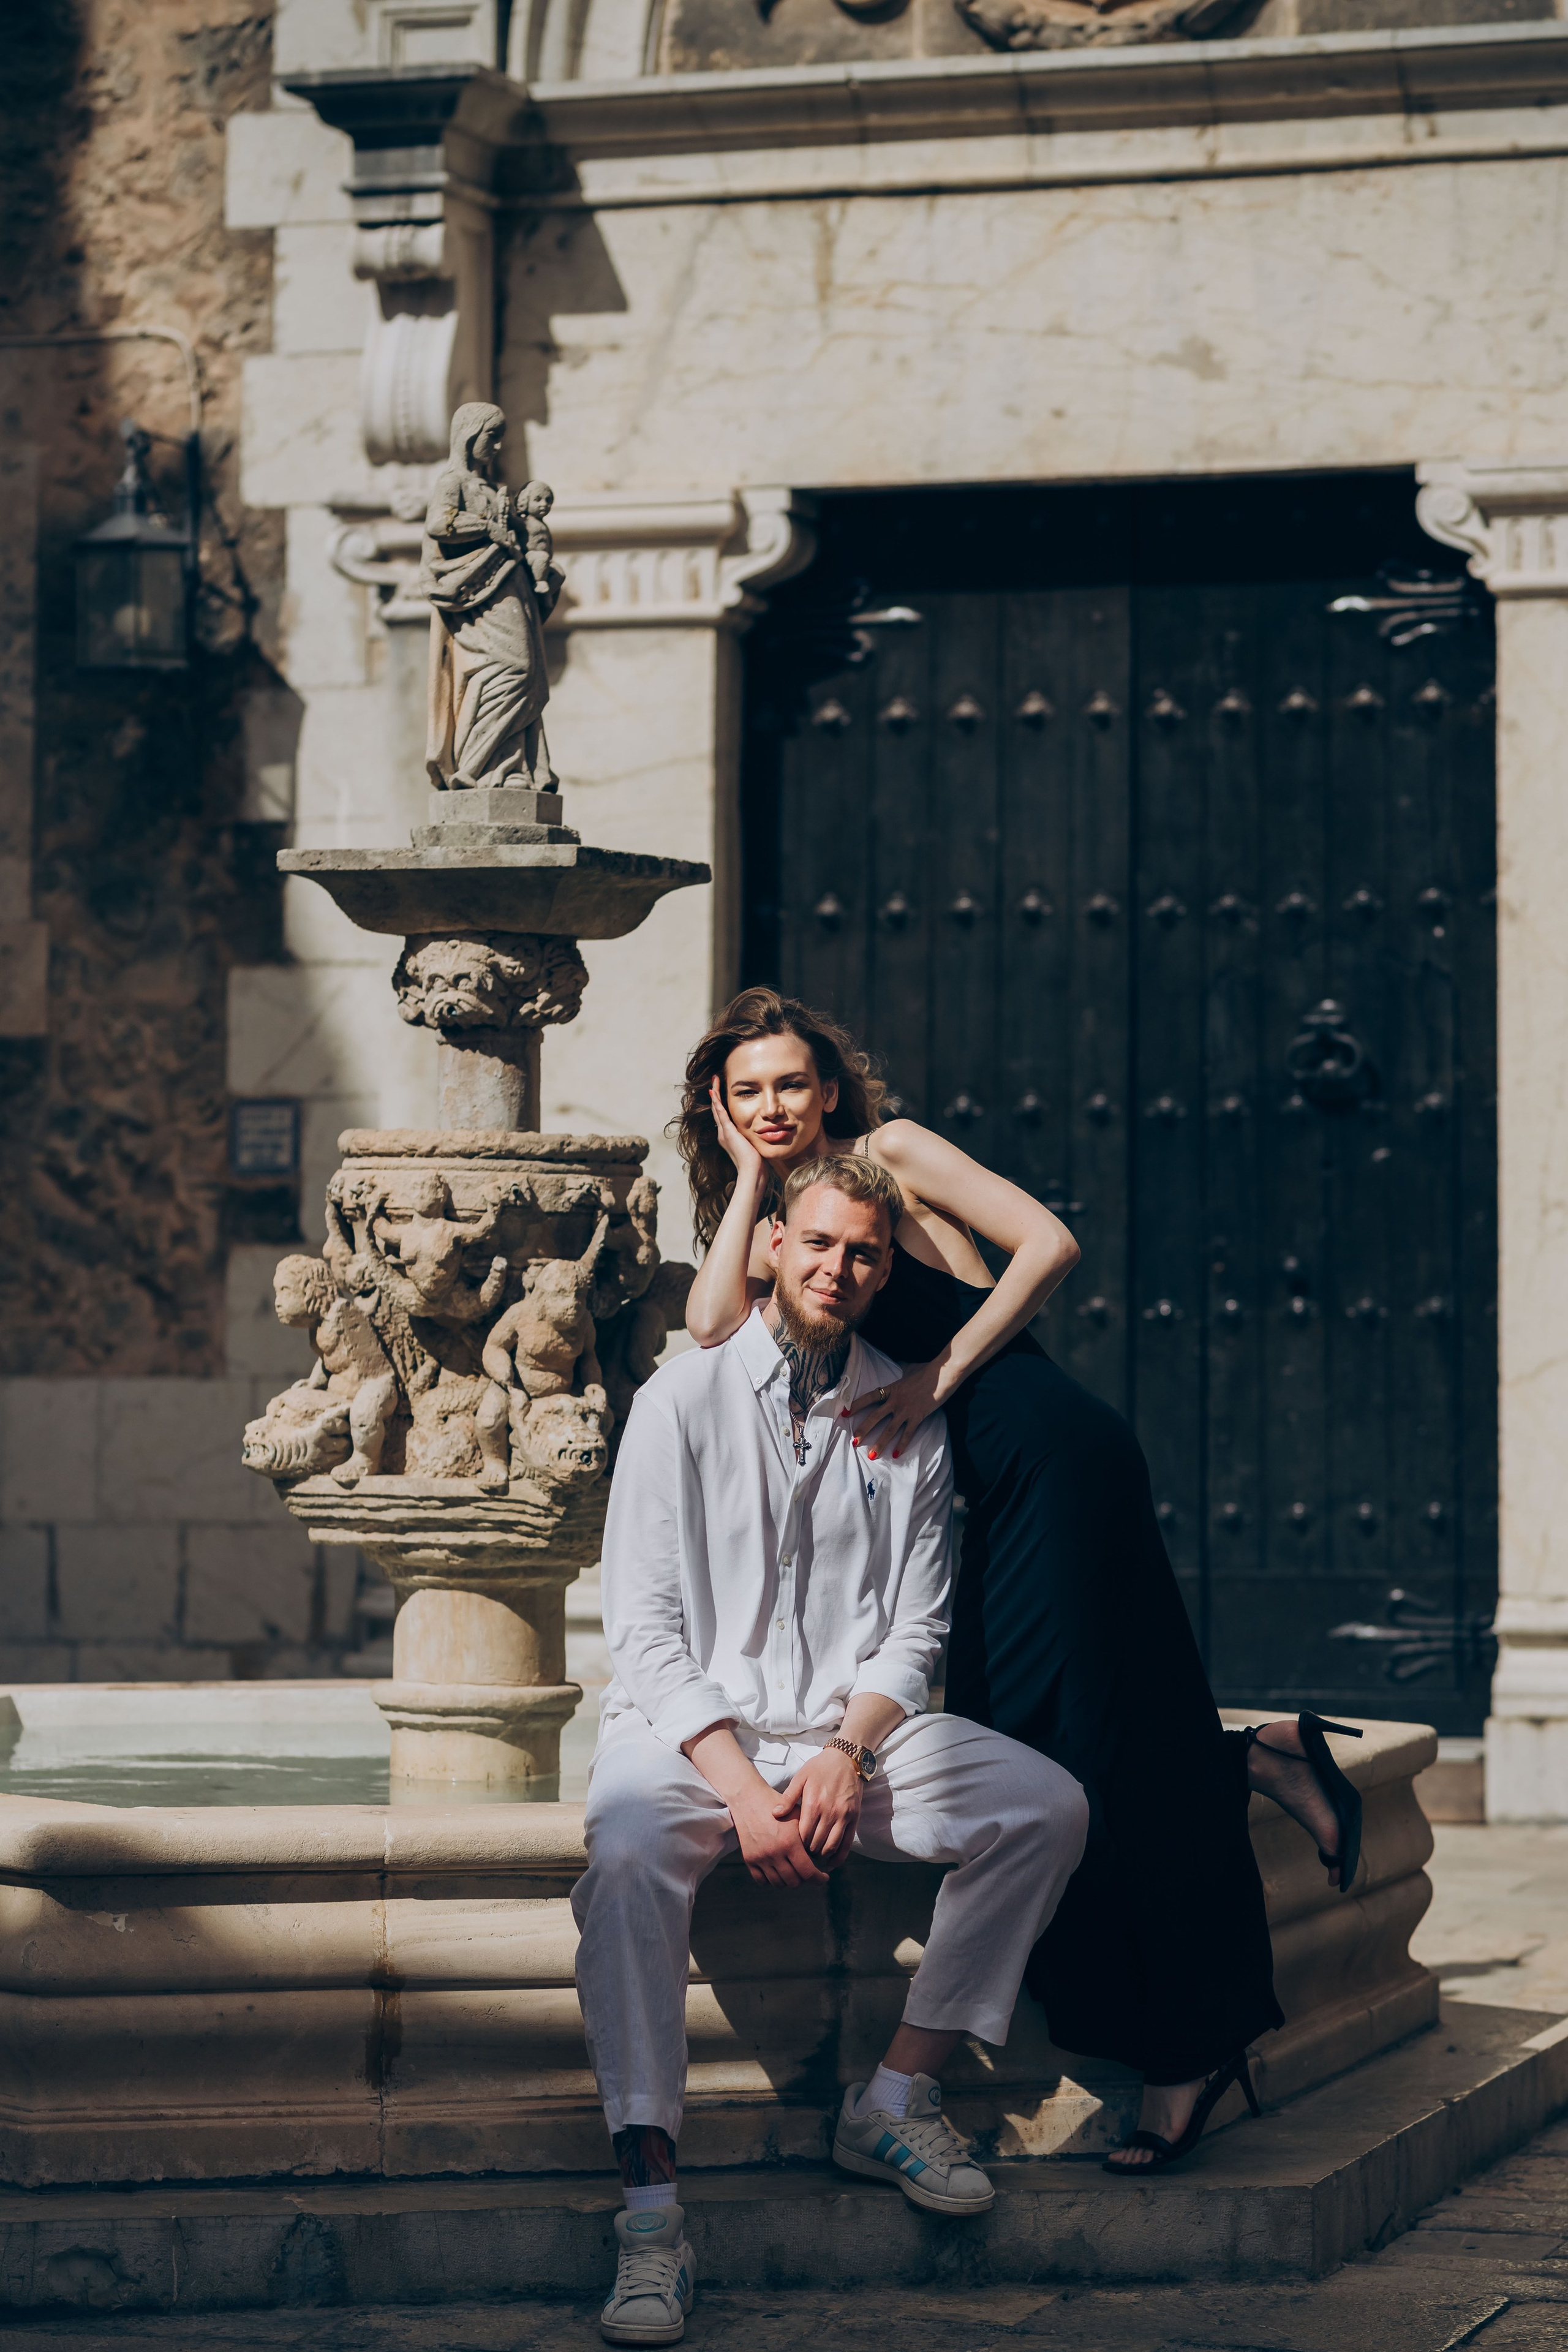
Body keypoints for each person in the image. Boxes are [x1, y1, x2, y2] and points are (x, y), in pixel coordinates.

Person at [680, 989, 1368, 2175]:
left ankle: (1187, 2051)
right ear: (720, 1108)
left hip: (1042, 1449)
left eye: (790, 1083)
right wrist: (742, 1175)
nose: (773, 1107)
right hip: (980, 1490)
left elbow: (1046, 1243)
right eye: (746, 1093)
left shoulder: (886, 1158)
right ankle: (1246, 1759)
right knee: (1052, 1741)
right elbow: (707, 1331)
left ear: (830, 1086)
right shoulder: (775, 1229)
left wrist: (937, 1374)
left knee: (1080, 1755)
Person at [575, 1154, 1088, 2343]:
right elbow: (642, 1633)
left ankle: (896, 2095)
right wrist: (744, 1789)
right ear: (768, 1246)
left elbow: (915, 1631)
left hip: (844, 1745)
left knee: (1043, 1807)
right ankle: (649, 2213)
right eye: (816, 1244)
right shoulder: (678, 1401)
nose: (837, 1269)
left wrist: (847, 1755)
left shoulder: (901, 1415)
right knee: (624, 1842)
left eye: (862, 1252)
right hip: (688, 1737)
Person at [420, 402, 557, 792]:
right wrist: (489, 528)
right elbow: (439, 523)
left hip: (509, 582)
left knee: (521, 674)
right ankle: (476, 764)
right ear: (468, 435)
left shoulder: (488, 488)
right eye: (491, 436)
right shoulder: (453, 481)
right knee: (515, 667)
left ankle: (508, 770)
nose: (497, 447)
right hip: (479, 590)